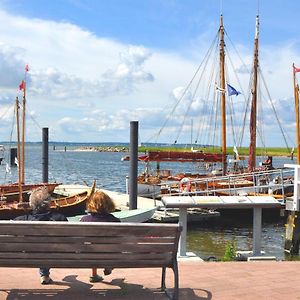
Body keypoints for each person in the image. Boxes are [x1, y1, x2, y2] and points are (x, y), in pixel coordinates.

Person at [14, 186, 67, 285]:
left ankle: (44, 275)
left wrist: (27, 209)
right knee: (47, 247)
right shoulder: (60, 218)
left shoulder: (21, 220)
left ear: (31, 204)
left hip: (27, 256)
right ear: (48, 204)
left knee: (41, 247)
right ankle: (45, 275)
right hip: (58, 256)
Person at [80, 190, 120, 283]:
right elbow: (119, 241)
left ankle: (94, 274)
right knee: (111, 247)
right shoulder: (115, 221)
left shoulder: (84, 220)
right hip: (109, 254)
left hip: (89, 255)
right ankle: (109, 265)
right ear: (109, 204)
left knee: (92, 246)